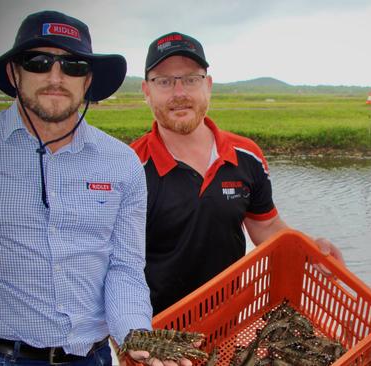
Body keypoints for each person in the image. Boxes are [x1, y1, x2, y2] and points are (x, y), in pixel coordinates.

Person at [0, 11, 192, 366]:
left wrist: (136, 335)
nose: (56, 77)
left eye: (72, 66)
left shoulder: (122, 163)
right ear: (14, 73)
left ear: (87, 80)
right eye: (38, 62)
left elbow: (125, 268)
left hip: (92, 357)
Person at [131, 32, 345, 315]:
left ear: (208, 85)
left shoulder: (247, 156)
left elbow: (266, 227)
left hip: (232, 321)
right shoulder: (130, 167)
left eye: (191, 79)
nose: (179, 93)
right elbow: (114, 265)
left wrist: (307, 248)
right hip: (160, 332)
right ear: (147, 90)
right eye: (164, 81)